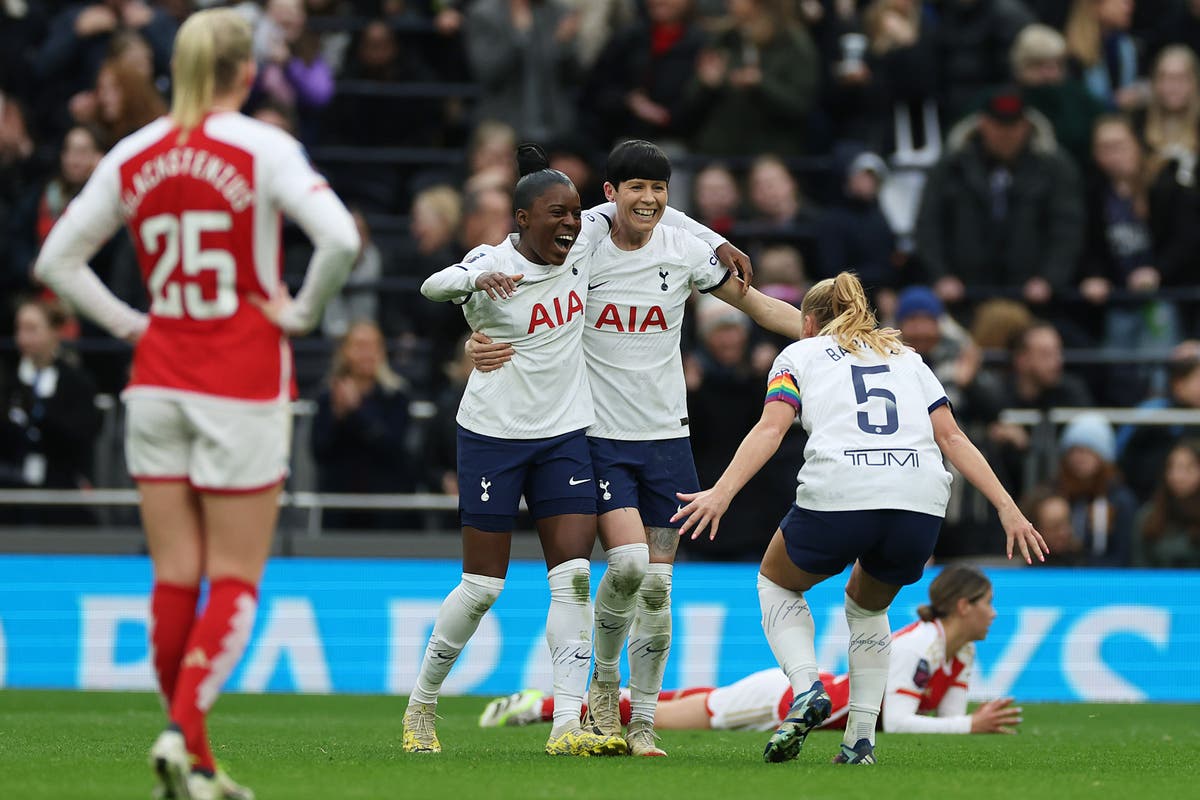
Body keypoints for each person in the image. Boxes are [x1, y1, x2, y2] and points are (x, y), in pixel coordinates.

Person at [32, 10, 360, 800]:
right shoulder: (264, 147)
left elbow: (56, 259)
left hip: (156, 378)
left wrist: (132, 323)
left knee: (174, 575)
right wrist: (303, 312)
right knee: (235, 577)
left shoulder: (133, 153)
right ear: (246, 74)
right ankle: (183, 731)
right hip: (240, 378)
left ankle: (200, 765)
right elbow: (342, 239)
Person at [470, 139, 809, 758]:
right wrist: (475, 336)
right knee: (627, 567)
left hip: (666, 439)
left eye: (659, 190)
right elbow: (503, 271)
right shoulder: (585, 237)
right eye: (635, 189)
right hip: (596, 435)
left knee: (658, 588)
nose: (648, 200)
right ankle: (603, 682)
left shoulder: (683, 248)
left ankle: (645, 722)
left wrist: (833, 335)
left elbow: (755, 305)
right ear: (610, 194)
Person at [672, 272, 1046, 765]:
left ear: (808, 323)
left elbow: (771, 428)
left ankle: (807, 688)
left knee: (777, 583)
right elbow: (952, 438)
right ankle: (859, 741)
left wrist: (721, 492)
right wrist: (1008, 507)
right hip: (920, 499)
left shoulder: (797, 355)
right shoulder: (908, 358)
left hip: (842, 490)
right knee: (868, 609)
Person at [404, 145, 624, 758]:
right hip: (492, 435)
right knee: (481, 586)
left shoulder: (580, 244)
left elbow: (644, 209)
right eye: (556, 214)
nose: (570, 224)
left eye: (575, 213)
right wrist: (476, 280)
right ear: (522, 219)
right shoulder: (490, 261)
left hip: (564, 435)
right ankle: (422, 703)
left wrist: (713, 243)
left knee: (574, 579)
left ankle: (566, 726)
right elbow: (432, 283)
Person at [482, 565, 1022, 736]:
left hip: (791, 698)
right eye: (989, 603)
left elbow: (947, 720)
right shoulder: (920, 647)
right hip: (784, 701)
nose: (995, 614)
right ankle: (545, 705)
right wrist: (970, 727)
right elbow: (899, 722)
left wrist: (966, 724)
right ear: (964, 607)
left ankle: (550, 704)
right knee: (665, 716)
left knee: (678, 701)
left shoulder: (958, 655)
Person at [0, 298, 101, 524]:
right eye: (20, 329)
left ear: (55, 332)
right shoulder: (7, 380)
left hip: (60, 492)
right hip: (9, 492)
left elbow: (82, 438)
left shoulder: (76, 382)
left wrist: (40, 415)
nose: (23, 339)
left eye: (32, 330)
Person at [310, 320, 413, 530]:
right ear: (345, 351)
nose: (366, 353)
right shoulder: (327, 395)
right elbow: (319, 451)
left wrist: (357, 411)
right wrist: (338, 416)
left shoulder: (396, 395)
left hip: (384, 504)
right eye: (359, 346)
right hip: (339, 503)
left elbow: (394, 449)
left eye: (372, 346)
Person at [1134, 439, 1200, 567]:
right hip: (1155, 586)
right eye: (1172, 467)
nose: (1178, 475)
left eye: (1188, 468)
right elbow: (1139, 565)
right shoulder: (1148, 516)